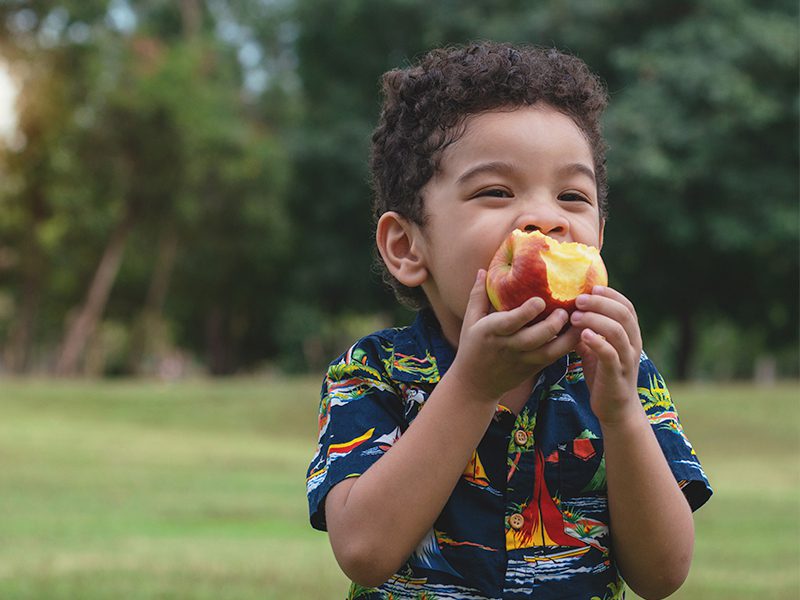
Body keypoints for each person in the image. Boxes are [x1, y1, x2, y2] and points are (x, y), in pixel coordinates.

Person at [306, 41, 711, 600]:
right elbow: (364, 552)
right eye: (496, 191)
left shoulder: (623, 374)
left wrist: (619, 414)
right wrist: (473, 385)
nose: (546, 219)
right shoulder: (374, 373)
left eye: (573, 196)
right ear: (407, 246)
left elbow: (662, 574)